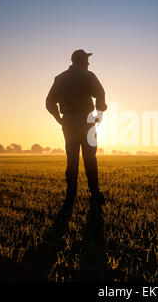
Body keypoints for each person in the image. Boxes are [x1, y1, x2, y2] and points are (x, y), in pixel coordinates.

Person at [46, 49, 107, 208]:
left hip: (68, 121)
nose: (88, 62)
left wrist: (59, 118)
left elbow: (49, 101)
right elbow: (100, 92)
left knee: (71, 160)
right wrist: (100, 111)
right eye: (86, 60)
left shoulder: (60, 78)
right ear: (81, 60)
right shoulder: (88, 75)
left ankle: (70, 195)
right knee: (90, 159)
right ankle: (95, 194)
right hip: (87, 120)